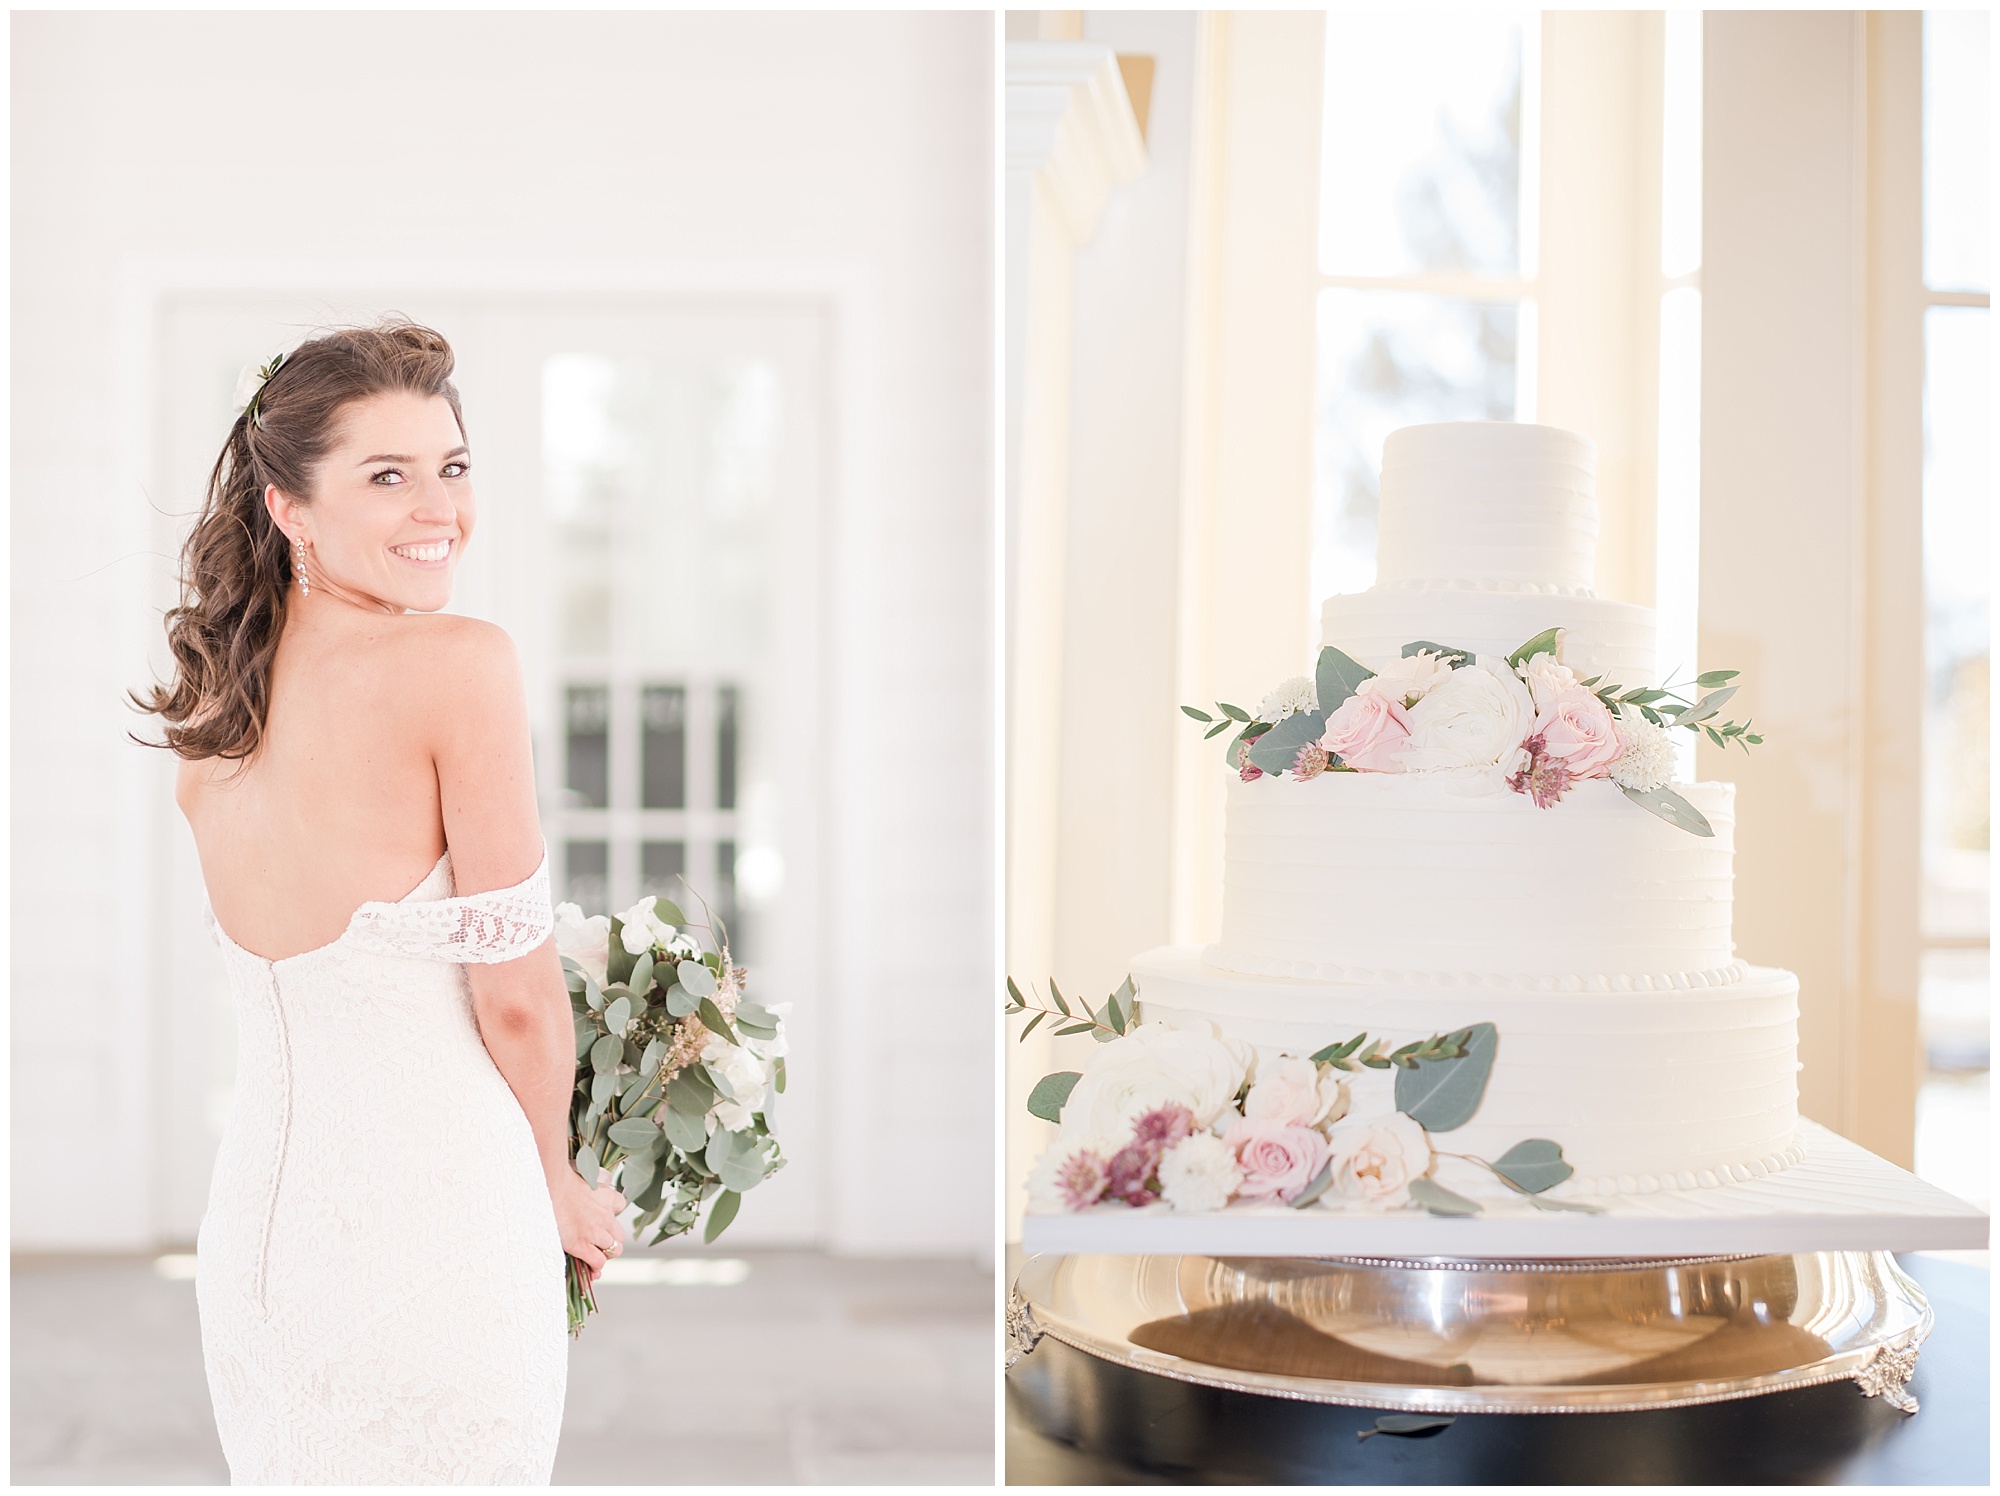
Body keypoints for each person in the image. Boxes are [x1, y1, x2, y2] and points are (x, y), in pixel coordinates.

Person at [133, 320, 625, 1484]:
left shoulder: (215, 722)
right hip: (436, 1222)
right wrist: (554, 1176)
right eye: (386, 475)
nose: (437, 508)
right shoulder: (458, 664)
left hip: (258, 1237)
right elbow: (514, 998)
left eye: (451, 467)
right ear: (288, 507)